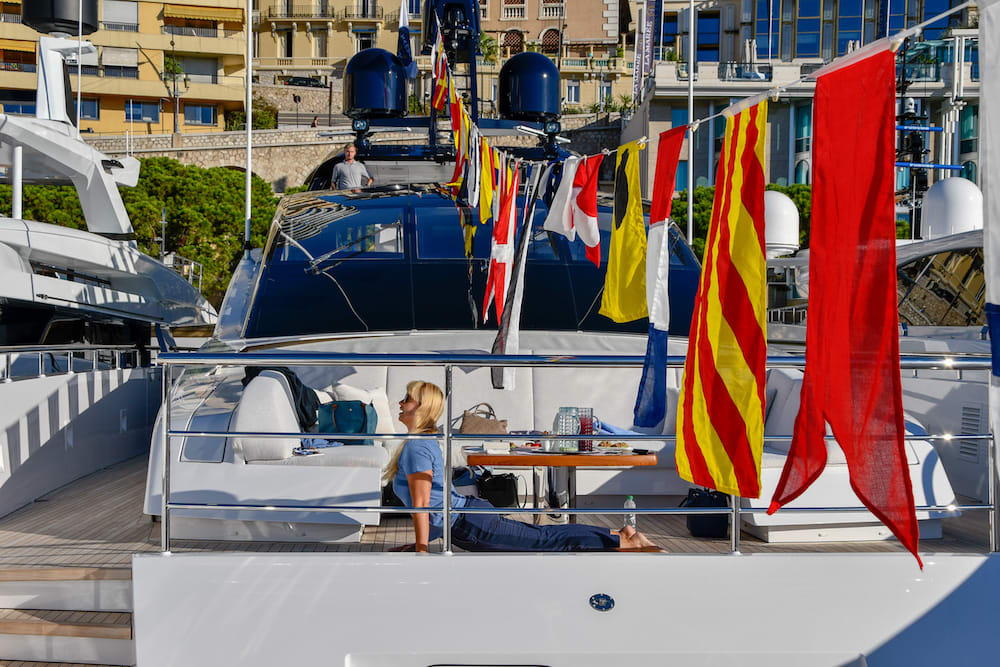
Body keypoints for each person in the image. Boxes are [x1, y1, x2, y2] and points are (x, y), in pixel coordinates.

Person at [387, 380, 660, 553]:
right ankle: (615, 535)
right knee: (541, 535)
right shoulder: (423, 442)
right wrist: (420, 544)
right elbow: (432, 504)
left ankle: (621, 541)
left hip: (468, 524)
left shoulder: (417, 446)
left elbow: (423, 505)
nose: (400, 403)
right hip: (466, 518)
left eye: (406, 398)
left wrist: (421, 551)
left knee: (544, 539)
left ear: (421, 407)